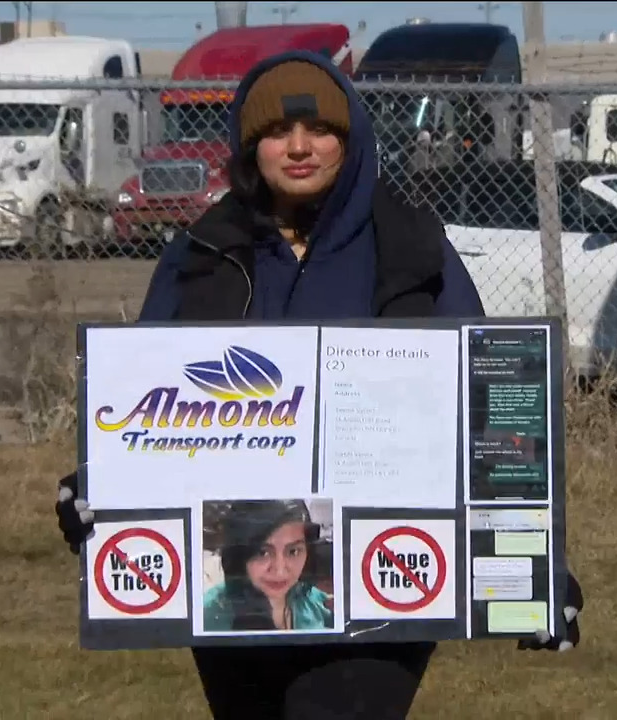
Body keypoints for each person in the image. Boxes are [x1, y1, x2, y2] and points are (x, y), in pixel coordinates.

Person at [56, 49, 584, 719]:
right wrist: (99, 485)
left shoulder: (412, 247)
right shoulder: (201, 254)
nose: (300, 147)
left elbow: (490, 418)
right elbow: (144, 416)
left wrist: (537, 567)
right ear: (250, 148)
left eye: (321, 130)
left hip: (389, 581)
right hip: (238, 604)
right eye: (277, 132)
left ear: (352, 136)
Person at [203, 500, 334, 632]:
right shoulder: (209, 618)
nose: (280, 571)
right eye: (262, 553)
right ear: (239, 555)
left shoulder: (304, 594)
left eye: (293, 551)